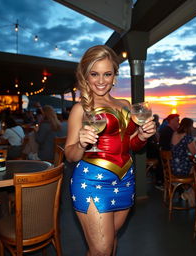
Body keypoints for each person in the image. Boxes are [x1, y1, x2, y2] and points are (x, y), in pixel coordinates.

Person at [64, 45, 156, 256]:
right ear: (85, 75)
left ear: (115, 76)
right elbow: (70, 155)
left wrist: (142, 135)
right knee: (102, 249)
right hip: (92, 182)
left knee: (108, 244)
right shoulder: (81, 109)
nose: (101, 80)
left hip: (125, 180)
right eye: (94, 74)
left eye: (107, 74)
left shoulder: (125, 104)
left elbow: (131, 145)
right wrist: (80, 144)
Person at [171, 118, 196, 205]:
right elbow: (195, 153)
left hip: (173, 166)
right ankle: (189, 193)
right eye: (192, 126)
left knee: (192, 166)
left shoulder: (175, 133)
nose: (193, 128)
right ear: (188, 126)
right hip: (181, 168)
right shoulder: (187, 137)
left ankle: (184, 189)